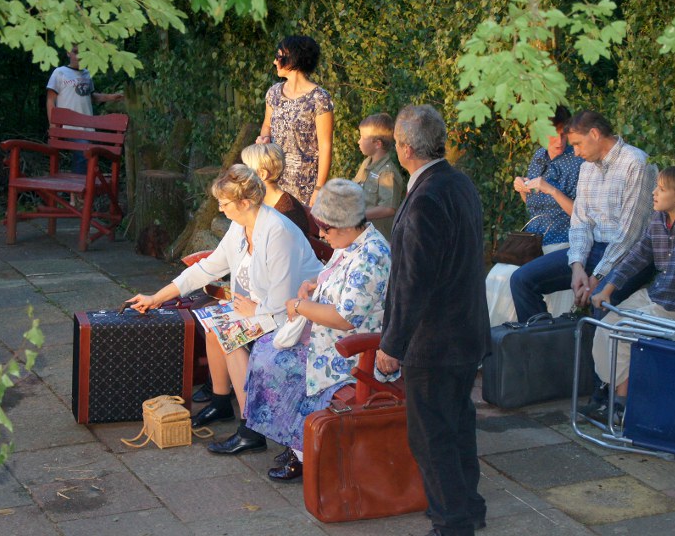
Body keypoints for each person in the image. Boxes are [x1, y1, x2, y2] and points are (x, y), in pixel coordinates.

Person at [126, 165, 322, 452]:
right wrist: (157, 297)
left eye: (225, 203)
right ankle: (221, 403)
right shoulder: (240, 225)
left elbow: (284, 297)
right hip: (261, 308)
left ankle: (251, 430)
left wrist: (254, 310)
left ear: (245, 202)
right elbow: (206, 269)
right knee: (215, 325)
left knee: (229, 335)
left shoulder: (278, 231)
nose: (220, 208)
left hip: (298, 316)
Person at [376, 105, 489, 536]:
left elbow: (412, 282)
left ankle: (452, 521)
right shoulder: (459, 182)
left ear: (404, 149)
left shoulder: (425, 197)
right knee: (458, 425)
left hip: (437, 338)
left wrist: (392, 344)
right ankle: (468, 507)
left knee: (431, 436)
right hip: (466, 330)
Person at [238, 179, 391, 478]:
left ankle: (304, 451)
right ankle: (297, 442)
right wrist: (313, 285)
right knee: (267, 349)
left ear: (345, 225)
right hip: (331, 339)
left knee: (278, 362)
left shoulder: (371, 256)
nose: (321, 234)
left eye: (326, 229)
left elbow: (344, 318)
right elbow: (333, 281)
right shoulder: (351, 244)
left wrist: (299, 306)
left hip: (353, 351)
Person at [585, 166, 675, 421]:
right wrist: (608, 290)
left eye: (661, 189)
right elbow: (637, 256)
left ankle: (620, 405)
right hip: (655, 294)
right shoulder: (657, 219)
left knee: (622, 331)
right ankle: (616, 400)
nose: (654, 192)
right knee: (605, 326)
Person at [510, 110, 658, 323]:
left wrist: (596, 278)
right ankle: (543, 346)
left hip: (633, 256)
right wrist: (577, 265)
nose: (576, 152)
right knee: (521, 280)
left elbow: (629, 235)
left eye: (578, 144)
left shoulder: (636, 163)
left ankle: (595, 356)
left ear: (595, 134)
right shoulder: (588, 167)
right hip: (595, 250)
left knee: (601, 300)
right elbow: (580, 222)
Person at [486, 106, 584, 325]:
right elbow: (534, 208)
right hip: (533, 242)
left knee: (507, 279)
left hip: (562, 240)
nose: (559, 141)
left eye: (563, 134)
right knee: (495, 277)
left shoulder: (578, 161)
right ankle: (498, 341)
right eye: (552, 134)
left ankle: (527, 337)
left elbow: (582, 216)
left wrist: (552, 189)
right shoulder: (538, 157)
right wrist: (523, 190)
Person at [256, 35, 334, 206]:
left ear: (293, 58)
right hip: (273, 182)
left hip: (305, 186)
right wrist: (264, 139)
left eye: (278, 56)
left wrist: (319, 189)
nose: (274, 61)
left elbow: (325, 146)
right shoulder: (274, 93)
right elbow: (267, 125)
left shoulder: (319, 98)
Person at [46, 44, 124, 174]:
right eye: (75, 52)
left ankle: (76, 192)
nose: (79, 56)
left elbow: (90, 96)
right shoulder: (59, 72)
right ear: (68, 53)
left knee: (87, 158)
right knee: (83, 155)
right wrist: (53, 126)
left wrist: (111, 97)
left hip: (87, 127)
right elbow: (50, 100)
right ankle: (78, 191)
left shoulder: (87, 74)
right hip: (69, 126)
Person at [353, 112, 405, 240]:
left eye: (362, 137)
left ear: (377, 144)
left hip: (378, 239)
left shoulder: (387, 173)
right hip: (362, 234)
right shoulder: (367, 163)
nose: (358, 141)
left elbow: (388, 209)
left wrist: (359, 215)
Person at [241, 142, 310, 235]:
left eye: (245, 169)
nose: (240, 174)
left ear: (262, 174)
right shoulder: (259, 202)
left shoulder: (287, 212)